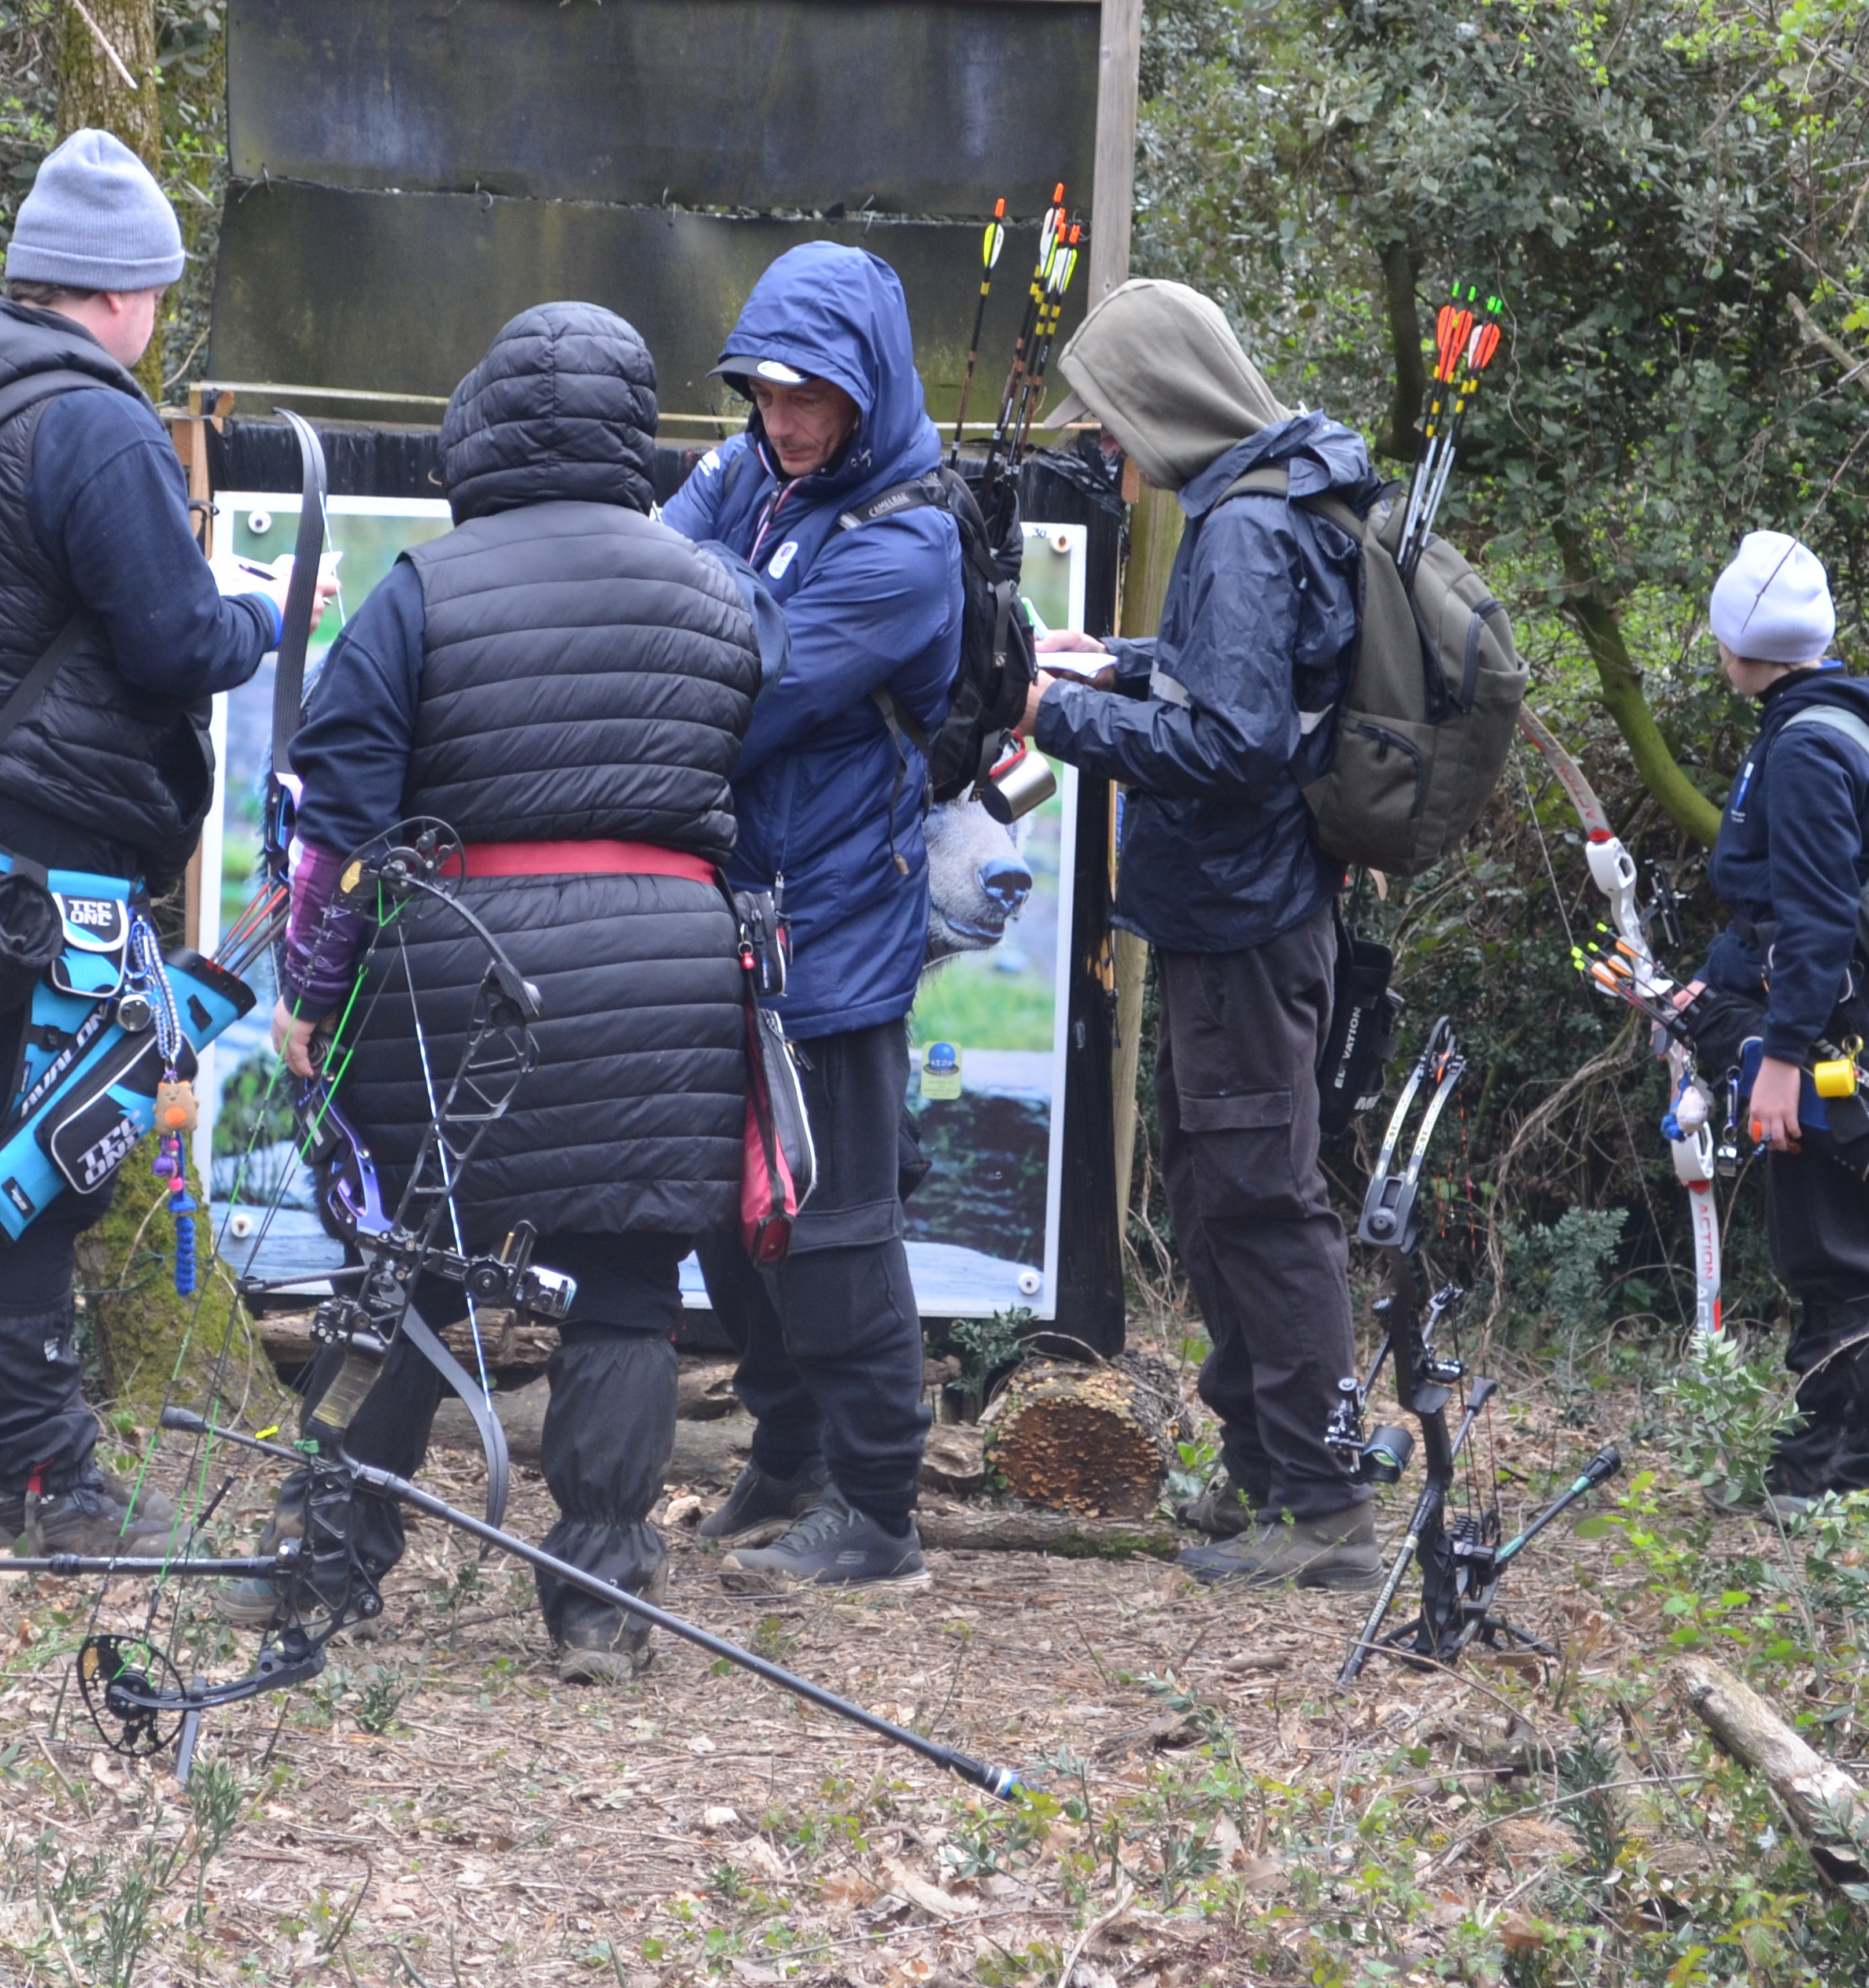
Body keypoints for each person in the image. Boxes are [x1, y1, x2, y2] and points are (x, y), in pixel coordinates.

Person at [256, 301, 772, 1682]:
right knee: (627, 1281)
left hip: (458, 973)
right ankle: (598, 1598)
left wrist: (309, 991)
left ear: (480, 425)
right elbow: (749, 799)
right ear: (635, 435)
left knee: (403, 1262)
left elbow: (339, 821)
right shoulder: (721, 592)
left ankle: (326, 1553)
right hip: (665, 976)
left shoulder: (423, 586)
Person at [0, 128, 323, 1557]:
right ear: (122, 290)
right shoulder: (96, 420)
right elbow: (176, 638)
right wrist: (253, 603)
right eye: (156, 292)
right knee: (40, 1164)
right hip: (44, 871)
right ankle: (48, 1486)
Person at [1019, 279, 1383, 1591]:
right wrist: (1106, 661)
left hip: (1242, 912)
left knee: (1258, 1197)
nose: (1106, 449)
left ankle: (1326, 1499)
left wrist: (1044, 712)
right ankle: (1262, 1466)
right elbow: (1247, 683)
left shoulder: (1240, 525)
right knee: (1220, 1183)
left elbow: (1226, 746)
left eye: (1109, 422)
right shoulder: (1285, 494)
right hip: (1252, 907)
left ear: (1160, 398)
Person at [658, 244, 962, 1592]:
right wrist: (713, 587)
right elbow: (663, 575)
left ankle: (879, 1508)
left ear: (867, 386)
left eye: (809, 397)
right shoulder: (745, 470)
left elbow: (742, 683)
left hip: (832, 920)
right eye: (764, 391)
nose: (780, 421)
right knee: (726, 1214)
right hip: (721, 903)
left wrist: (706, 596)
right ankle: (790, 1449)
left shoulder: (907, 542)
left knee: (831, 1217)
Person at [1664, 530, 1869, 1518]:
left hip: (1827, 1039)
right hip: (1829, 1022)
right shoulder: (1830, 721)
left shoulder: (1809, 746)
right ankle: (1827, 1450)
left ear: (1741, 643)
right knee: (1822, 1240)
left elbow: (1816, 918)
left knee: (1840, 1244)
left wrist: (1780, 1060)